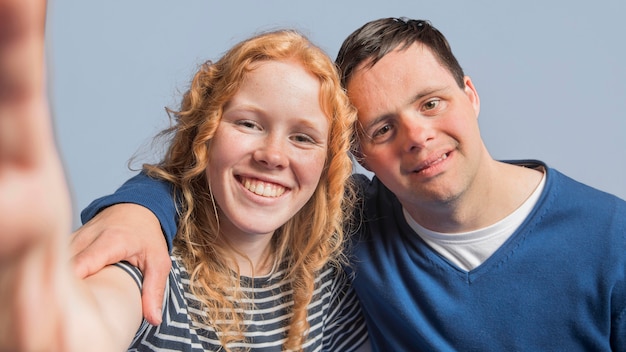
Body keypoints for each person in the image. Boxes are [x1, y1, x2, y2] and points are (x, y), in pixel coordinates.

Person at [72, 17, 626, 351]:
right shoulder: (353, 226)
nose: (417, 135)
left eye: (432, 103)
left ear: (471, 94)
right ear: (356, 157)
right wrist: (136, 210)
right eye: (383, 128)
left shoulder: (612, 239)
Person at [0, 1, 371, 350]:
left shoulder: (325, 278)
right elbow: (91, 321)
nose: (273, 155)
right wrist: (40, 318)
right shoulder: (150, 260)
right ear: (205, 132)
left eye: (303, 138)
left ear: (329, 164)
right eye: (248, 123)